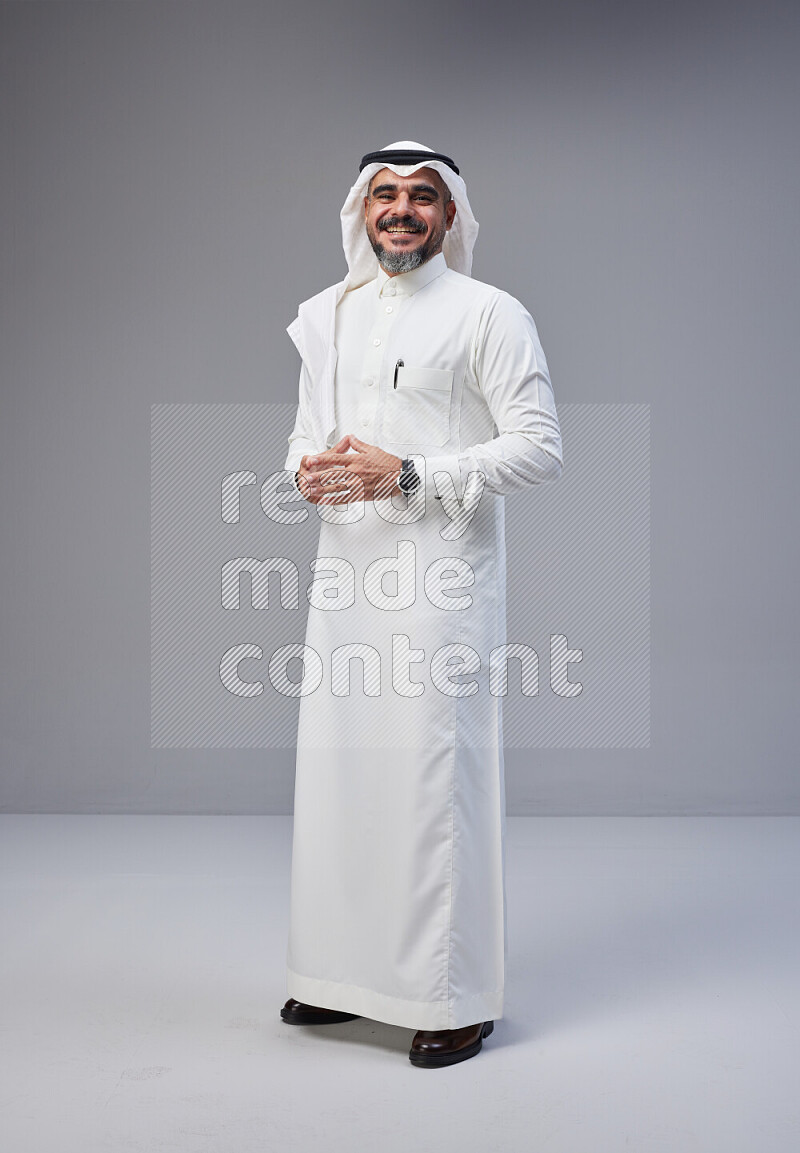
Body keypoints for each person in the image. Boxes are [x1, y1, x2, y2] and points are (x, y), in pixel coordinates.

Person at [280, 141, 563, 1068]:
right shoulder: (328, 315)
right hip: (345, 579)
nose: (401, 210)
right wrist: (308, 475)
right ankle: (337, 977)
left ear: (451, 217)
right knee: (342, 774)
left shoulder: (489, 312)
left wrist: (408, 472)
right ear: (363, 209)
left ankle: (452, 995)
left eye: (423, 197)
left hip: (442, 582)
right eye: (386, 195)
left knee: (433, 783)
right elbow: (301, 439)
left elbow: (537, 448)